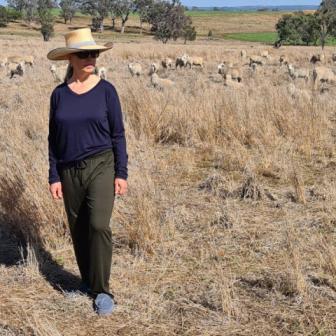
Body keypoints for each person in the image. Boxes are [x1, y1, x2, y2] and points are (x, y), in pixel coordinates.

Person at [47, 28, 128, 315]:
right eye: (84, 53)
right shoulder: (59, 95)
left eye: (93, 52)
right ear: (70, 58)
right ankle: (86, 282)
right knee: (79, 229)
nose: (90, 58)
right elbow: (53, 139)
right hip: (69, 170)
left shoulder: (107, 91)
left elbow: (118, 134)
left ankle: (102, 290)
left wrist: (121, 172)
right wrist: (54, 175)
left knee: (98, 225)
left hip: (101, 165)